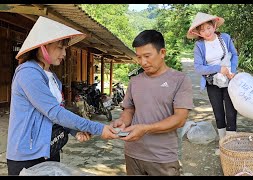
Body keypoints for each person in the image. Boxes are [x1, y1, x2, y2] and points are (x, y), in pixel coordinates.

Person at [6, 16, 118, 176]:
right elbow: (54, 112)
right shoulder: (28, 73)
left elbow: (58, 115)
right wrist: (98, 128)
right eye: (60, 47)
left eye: (64, 48)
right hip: (26, 155)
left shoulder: (53, 78)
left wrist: (74, 131)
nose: (64, 53)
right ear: (42, 47)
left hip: (49, 149)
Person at [111, 30, 193, 176]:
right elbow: (129, 109)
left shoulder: (179, 80)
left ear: (162, 52)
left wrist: (146, 129)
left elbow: (180, 119)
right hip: (133, 154)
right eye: (139, 57)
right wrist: (122, 122)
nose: (143, 62)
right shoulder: (134, 81)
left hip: (162, 158)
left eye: (147, 56)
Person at [186, 12, 238, 140]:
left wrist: (232, 70)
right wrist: (218, 69)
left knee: (231, 111)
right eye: (202, 30)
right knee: (218, 112)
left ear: (214, 26)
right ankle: (222, 141)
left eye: (208, 28)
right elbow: (198, 68)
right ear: (198, 33)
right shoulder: (199, 45)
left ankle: (230, 142)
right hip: (212, 81)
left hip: (229, 79)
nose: (207, 32)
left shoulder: (225, 37)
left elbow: (234, 55)